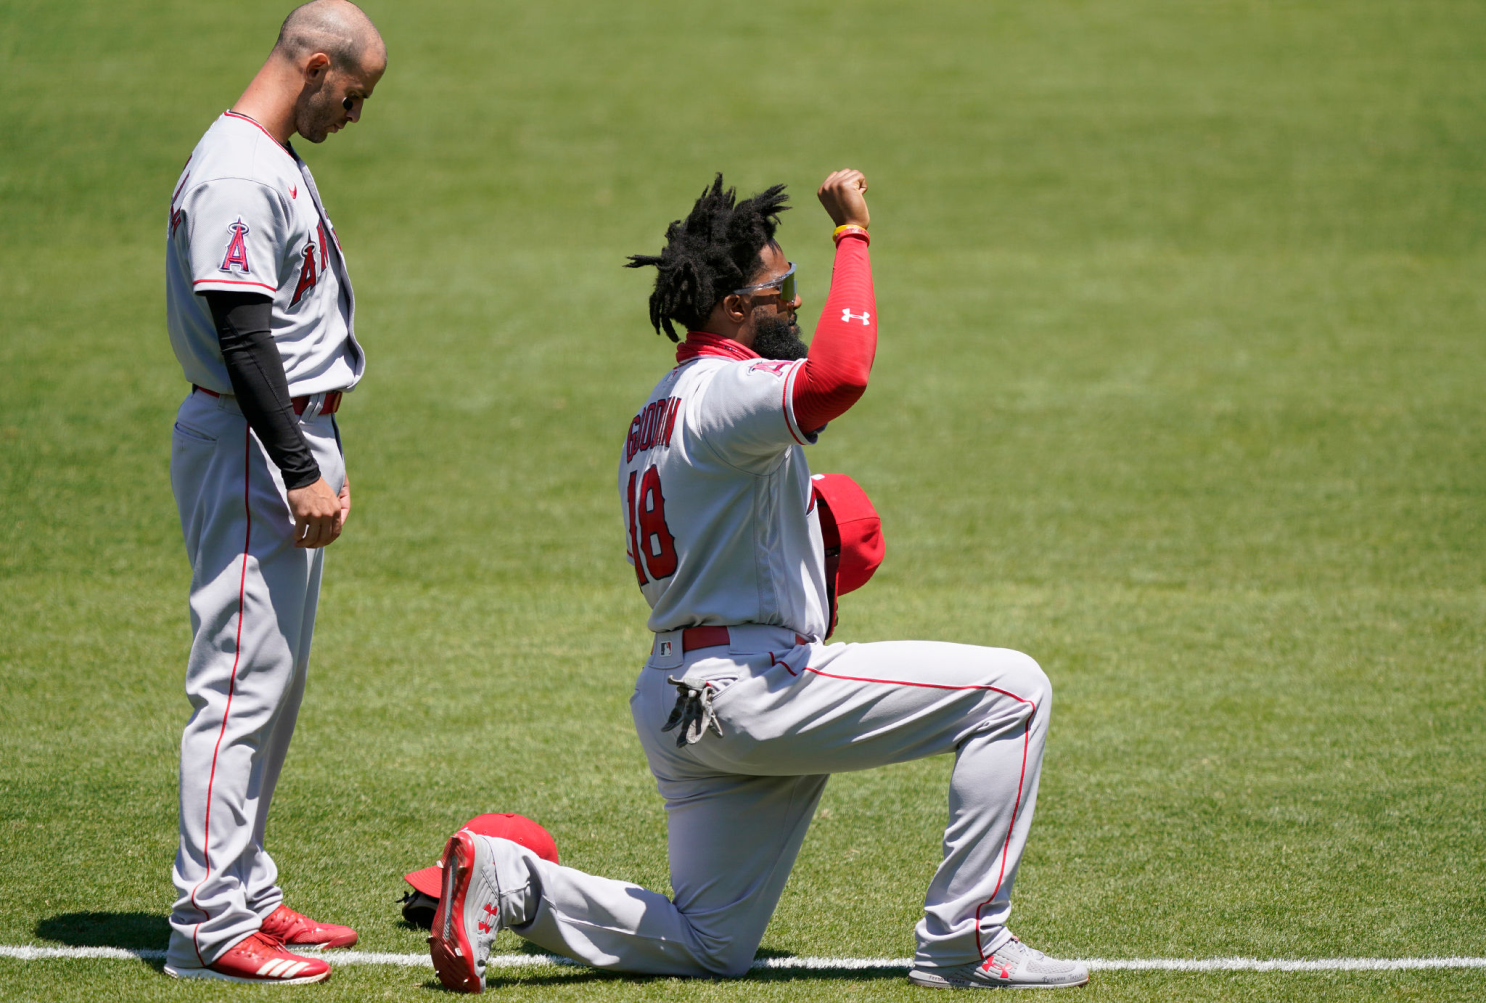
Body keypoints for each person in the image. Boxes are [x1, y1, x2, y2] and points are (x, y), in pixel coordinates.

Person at [428, 170, 1088, 992]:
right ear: (736, 307)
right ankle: (967, 940)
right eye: (786, 289)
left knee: (711, 943)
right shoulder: (728, 392)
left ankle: (511, 879)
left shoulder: (658, 407)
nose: (798, 305)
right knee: (1012, 690)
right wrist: (854, 235)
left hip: (679, 692)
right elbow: (839, 377)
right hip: (753, 686)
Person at [161, 1, 386, 984]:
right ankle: (207, 927)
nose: (355, 112)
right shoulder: (238, 174)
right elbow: (242, 334)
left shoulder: (268, 159)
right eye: (355, 92)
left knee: (274, 677)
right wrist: (298, 464)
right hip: (259, 442)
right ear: (316, 62)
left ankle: (246, 886)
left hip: (287, 432)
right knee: (238, 682)